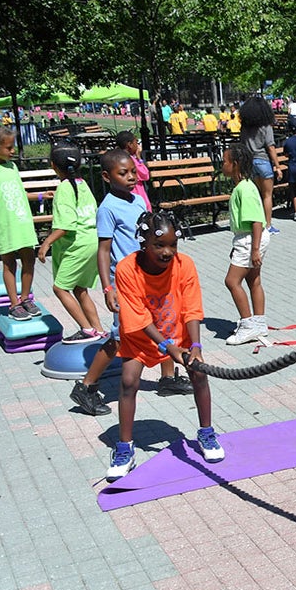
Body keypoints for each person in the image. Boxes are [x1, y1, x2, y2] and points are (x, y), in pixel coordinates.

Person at [69, 150, 192, 416]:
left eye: (133, 172)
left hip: (149, 276)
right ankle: (86, 386)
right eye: (122, 173)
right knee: (119, 337)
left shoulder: (138, 201)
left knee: (164, 323)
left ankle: (168, 378)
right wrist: (107, 288)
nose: (130, 177)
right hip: (124, 282)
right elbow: (103, 251)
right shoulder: (107, 208)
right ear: (106, 176)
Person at [105, 211, 223, 481]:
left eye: (173, 245)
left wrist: (195, 345)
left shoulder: (185, 265)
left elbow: (192, 307)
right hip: (142, 336)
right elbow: (138, 317)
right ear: (143, 242)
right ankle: (125, 448)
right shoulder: (126, 269)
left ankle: (206, 432)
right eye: (159, 245)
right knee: (128, 381)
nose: (168, 252)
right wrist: (168, 348)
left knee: (199, 373)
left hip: (177, 332)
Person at [36, 146, 104, 343]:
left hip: (78, 245)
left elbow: (65, 226)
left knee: (60, 289)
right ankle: (99, 329)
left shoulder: (64, 189)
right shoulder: (82, 184)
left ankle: (87, 329)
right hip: (92, 241)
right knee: (80, 289)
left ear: (53, 166)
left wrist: (46, 243)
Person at [0, 126, 39, 321]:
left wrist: (39, 195)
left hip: (22, 222)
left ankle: (25, 299)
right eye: (9, 148)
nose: (13, 151)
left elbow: (18, 193)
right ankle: (14, 303)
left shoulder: (11, 166)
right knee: (9, 263)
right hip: (4, 225)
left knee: (29, 260)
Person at [222, 144, 270, 345]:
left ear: (235, 164)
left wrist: (254, 250)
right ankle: (259, 322)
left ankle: (248, 325)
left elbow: (256, 221)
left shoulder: (246, 188)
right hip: (247, 238)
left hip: (251, 237)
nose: (221, 165)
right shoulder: (244, 186)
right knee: (253, 280)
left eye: (224, 161)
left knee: (232, 281)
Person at [239, 96, 283, 234]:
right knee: (267, 195)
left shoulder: (245, 127)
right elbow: (271, 147)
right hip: (263, 161)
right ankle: (268, 225)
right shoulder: (266, 127)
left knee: (256, 195)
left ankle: (257, 224)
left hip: (249, 162)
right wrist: (277, 166)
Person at [115, 130, 152, 210]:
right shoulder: (131, 160)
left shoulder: (118, 158)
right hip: (136, 193)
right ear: (130, 145)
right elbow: (145, 175)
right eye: (136, 142)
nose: (137, 145)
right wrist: (139, 158)